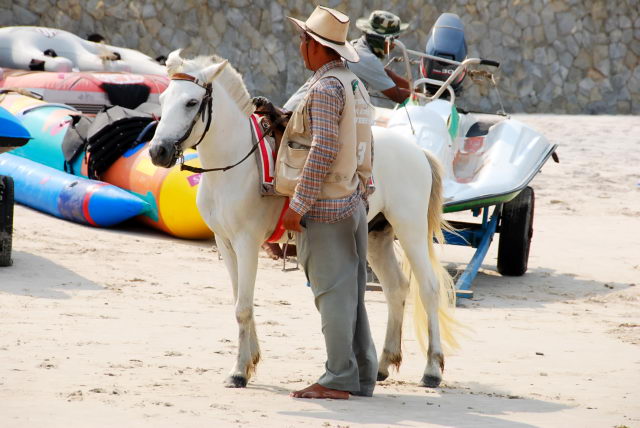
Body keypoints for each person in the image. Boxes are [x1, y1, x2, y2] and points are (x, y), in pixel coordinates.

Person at [280, 5, 378, 399]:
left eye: (304, 41)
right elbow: (365, 142)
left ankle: (338, 378)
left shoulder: (323, 89)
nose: (301, 47)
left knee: (332, 293)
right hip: (352, 200)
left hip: (326, 206)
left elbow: (322, 149)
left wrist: (297, 206)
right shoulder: (353, 83)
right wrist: (363, 190)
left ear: (316, 47)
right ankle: (362, 373)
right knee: (351, 293)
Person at [284, 9, 411, 111]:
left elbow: (386, 73)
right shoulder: (366, 59)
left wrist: (415, 87)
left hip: (298, 108)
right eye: (394, 39)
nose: (394, 45)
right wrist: (422, 96)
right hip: (298, 113)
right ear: (384, 40)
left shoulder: (358, 48)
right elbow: (397, 95)